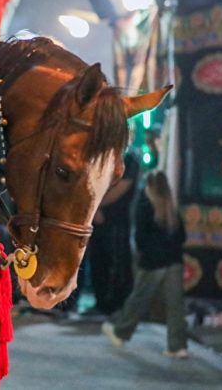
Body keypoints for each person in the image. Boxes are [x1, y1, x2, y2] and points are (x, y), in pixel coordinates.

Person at [103, 170, 189, 357]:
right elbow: (182, 236)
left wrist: (144, 253)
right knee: (175, 306)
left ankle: (121, 333)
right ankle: (177, 346)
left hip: (152, 263)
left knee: (138, 299)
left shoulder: (144, 204)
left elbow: (140, 237)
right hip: (174, 261)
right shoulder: (171, 208)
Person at [86, 148, 138, 315]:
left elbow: (121, 188)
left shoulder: (129, 160)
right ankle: (101, 302)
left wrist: (97, 206)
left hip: (117, 221)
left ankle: (117, 303)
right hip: (98, 220)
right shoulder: (101, 156)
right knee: (98, 261)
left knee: (116, 261)